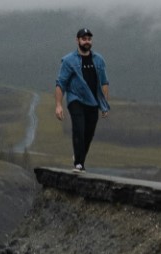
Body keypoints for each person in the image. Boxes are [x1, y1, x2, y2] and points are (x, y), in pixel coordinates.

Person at [54, 27, 110, 172]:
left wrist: (104, 105)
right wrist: (58, 105)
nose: (87, 41)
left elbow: (104, 83)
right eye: (84, 39)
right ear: (77, 40)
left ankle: (78, 156)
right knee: (79, 129)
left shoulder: (98, 60)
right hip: (76, 99)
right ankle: (79, 164)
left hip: (93, 102)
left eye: (89, 39)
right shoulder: (68, 60)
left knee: (88, 134)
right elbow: (61, 83)